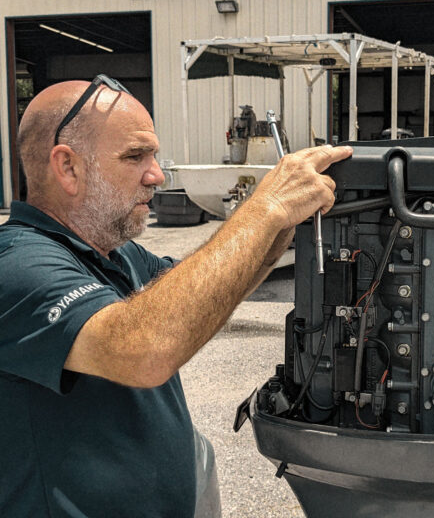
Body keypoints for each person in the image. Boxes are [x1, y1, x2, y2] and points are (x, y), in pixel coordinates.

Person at [0, 76, 352, 517]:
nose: (157, 175)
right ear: (67, 167)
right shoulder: (16, 263)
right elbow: (143, 349)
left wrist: (282, 226)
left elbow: (202, 293)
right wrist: (264, 208)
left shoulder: (117, 253)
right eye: (135, 156)